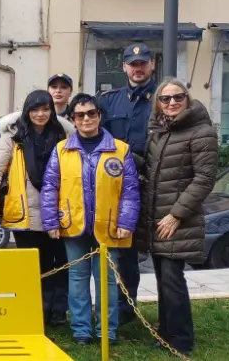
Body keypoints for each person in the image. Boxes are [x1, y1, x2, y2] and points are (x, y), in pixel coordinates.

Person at [41, 93, 140, 345]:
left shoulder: (120, 149)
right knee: (77, 279)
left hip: (109, 227)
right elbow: (50, 186)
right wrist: (51, 221)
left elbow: (129, 190)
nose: (86, 119)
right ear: (73, 119)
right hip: (73, 225)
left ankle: (107, 329)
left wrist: (126, 223)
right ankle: (82, 330)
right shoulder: (62, 150)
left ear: (99, 116)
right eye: (80, 115)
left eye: (91, 113)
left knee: (107, 280)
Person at [139, 79, 218, 355]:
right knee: (163, 280)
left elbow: (205, 179)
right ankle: (165, 333)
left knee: (173, 281)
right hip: (157, 219)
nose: (172, 102)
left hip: (176, 221)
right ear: (158, 104)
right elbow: (151, 172)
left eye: (177, 97)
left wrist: (176, 214)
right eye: (165, 99)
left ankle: (181, 340)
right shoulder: (160, 131)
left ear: (187, 98)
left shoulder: (201, 131)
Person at [0, 90, 74, 326]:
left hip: (59, 210)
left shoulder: (63, 136)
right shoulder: (13, 137)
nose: (40, 114)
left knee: (60, 263)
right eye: (35, 109)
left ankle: (58, 312)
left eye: (45, 109)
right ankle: (35, 311)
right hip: (25, 212)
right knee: (32, 266)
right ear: (27, 111)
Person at [98, 43, 157, 325]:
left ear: (152, 65)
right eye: (132, 64)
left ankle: (126, 310)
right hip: (112, 187)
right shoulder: (108, 101)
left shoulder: (163, 99)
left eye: (142, 63)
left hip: (149, 186)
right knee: (109, 250)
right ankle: (106, 308)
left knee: (131, 254)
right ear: (124, 67)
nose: (138, 68)